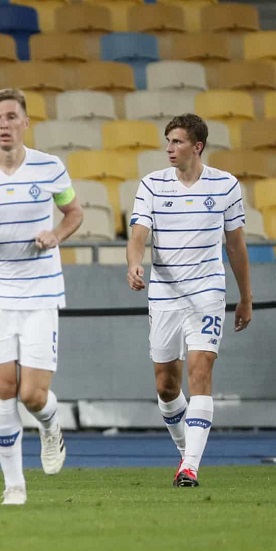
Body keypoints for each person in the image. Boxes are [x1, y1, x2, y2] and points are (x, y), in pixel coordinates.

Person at [0, 88, 83, 506]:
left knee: (32, 396)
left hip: (40, 292)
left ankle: (50, 424)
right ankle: (14, 485)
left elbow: (73, 212)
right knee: (2, 387)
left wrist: (55, 235)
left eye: (11, 116)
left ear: (25, 122)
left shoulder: (49, 168)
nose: (4, 124)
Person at [127, 113, 252, 488]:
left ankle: (190, 468)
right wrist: (135, 263)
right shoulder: (151, 185)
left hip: (207, 292)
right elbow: (138, 234)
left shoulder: (226, 185)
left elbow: (235, 244)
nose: (170, 148)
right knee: (167, 386)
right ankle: (187, 452)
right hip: (164, 293)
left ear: (197, 146)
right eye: (168, 141)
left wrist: (246, 297)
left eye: (178, 142)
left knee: (201, 372)